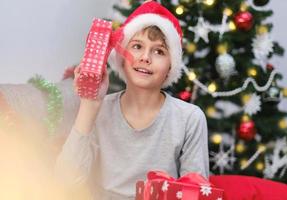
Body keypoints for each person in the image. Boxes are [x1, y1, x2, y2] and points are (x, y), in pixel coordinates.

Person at [55, 1, 209, 199]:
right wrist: (90, 106)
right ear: (121, 57)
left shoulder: (190, 119)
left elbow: (195, 193)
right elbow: (64, 183)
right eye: (137, 46)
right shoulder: (98, 111)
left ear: (171, 65)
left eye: (159, 51)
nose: (145, 57)